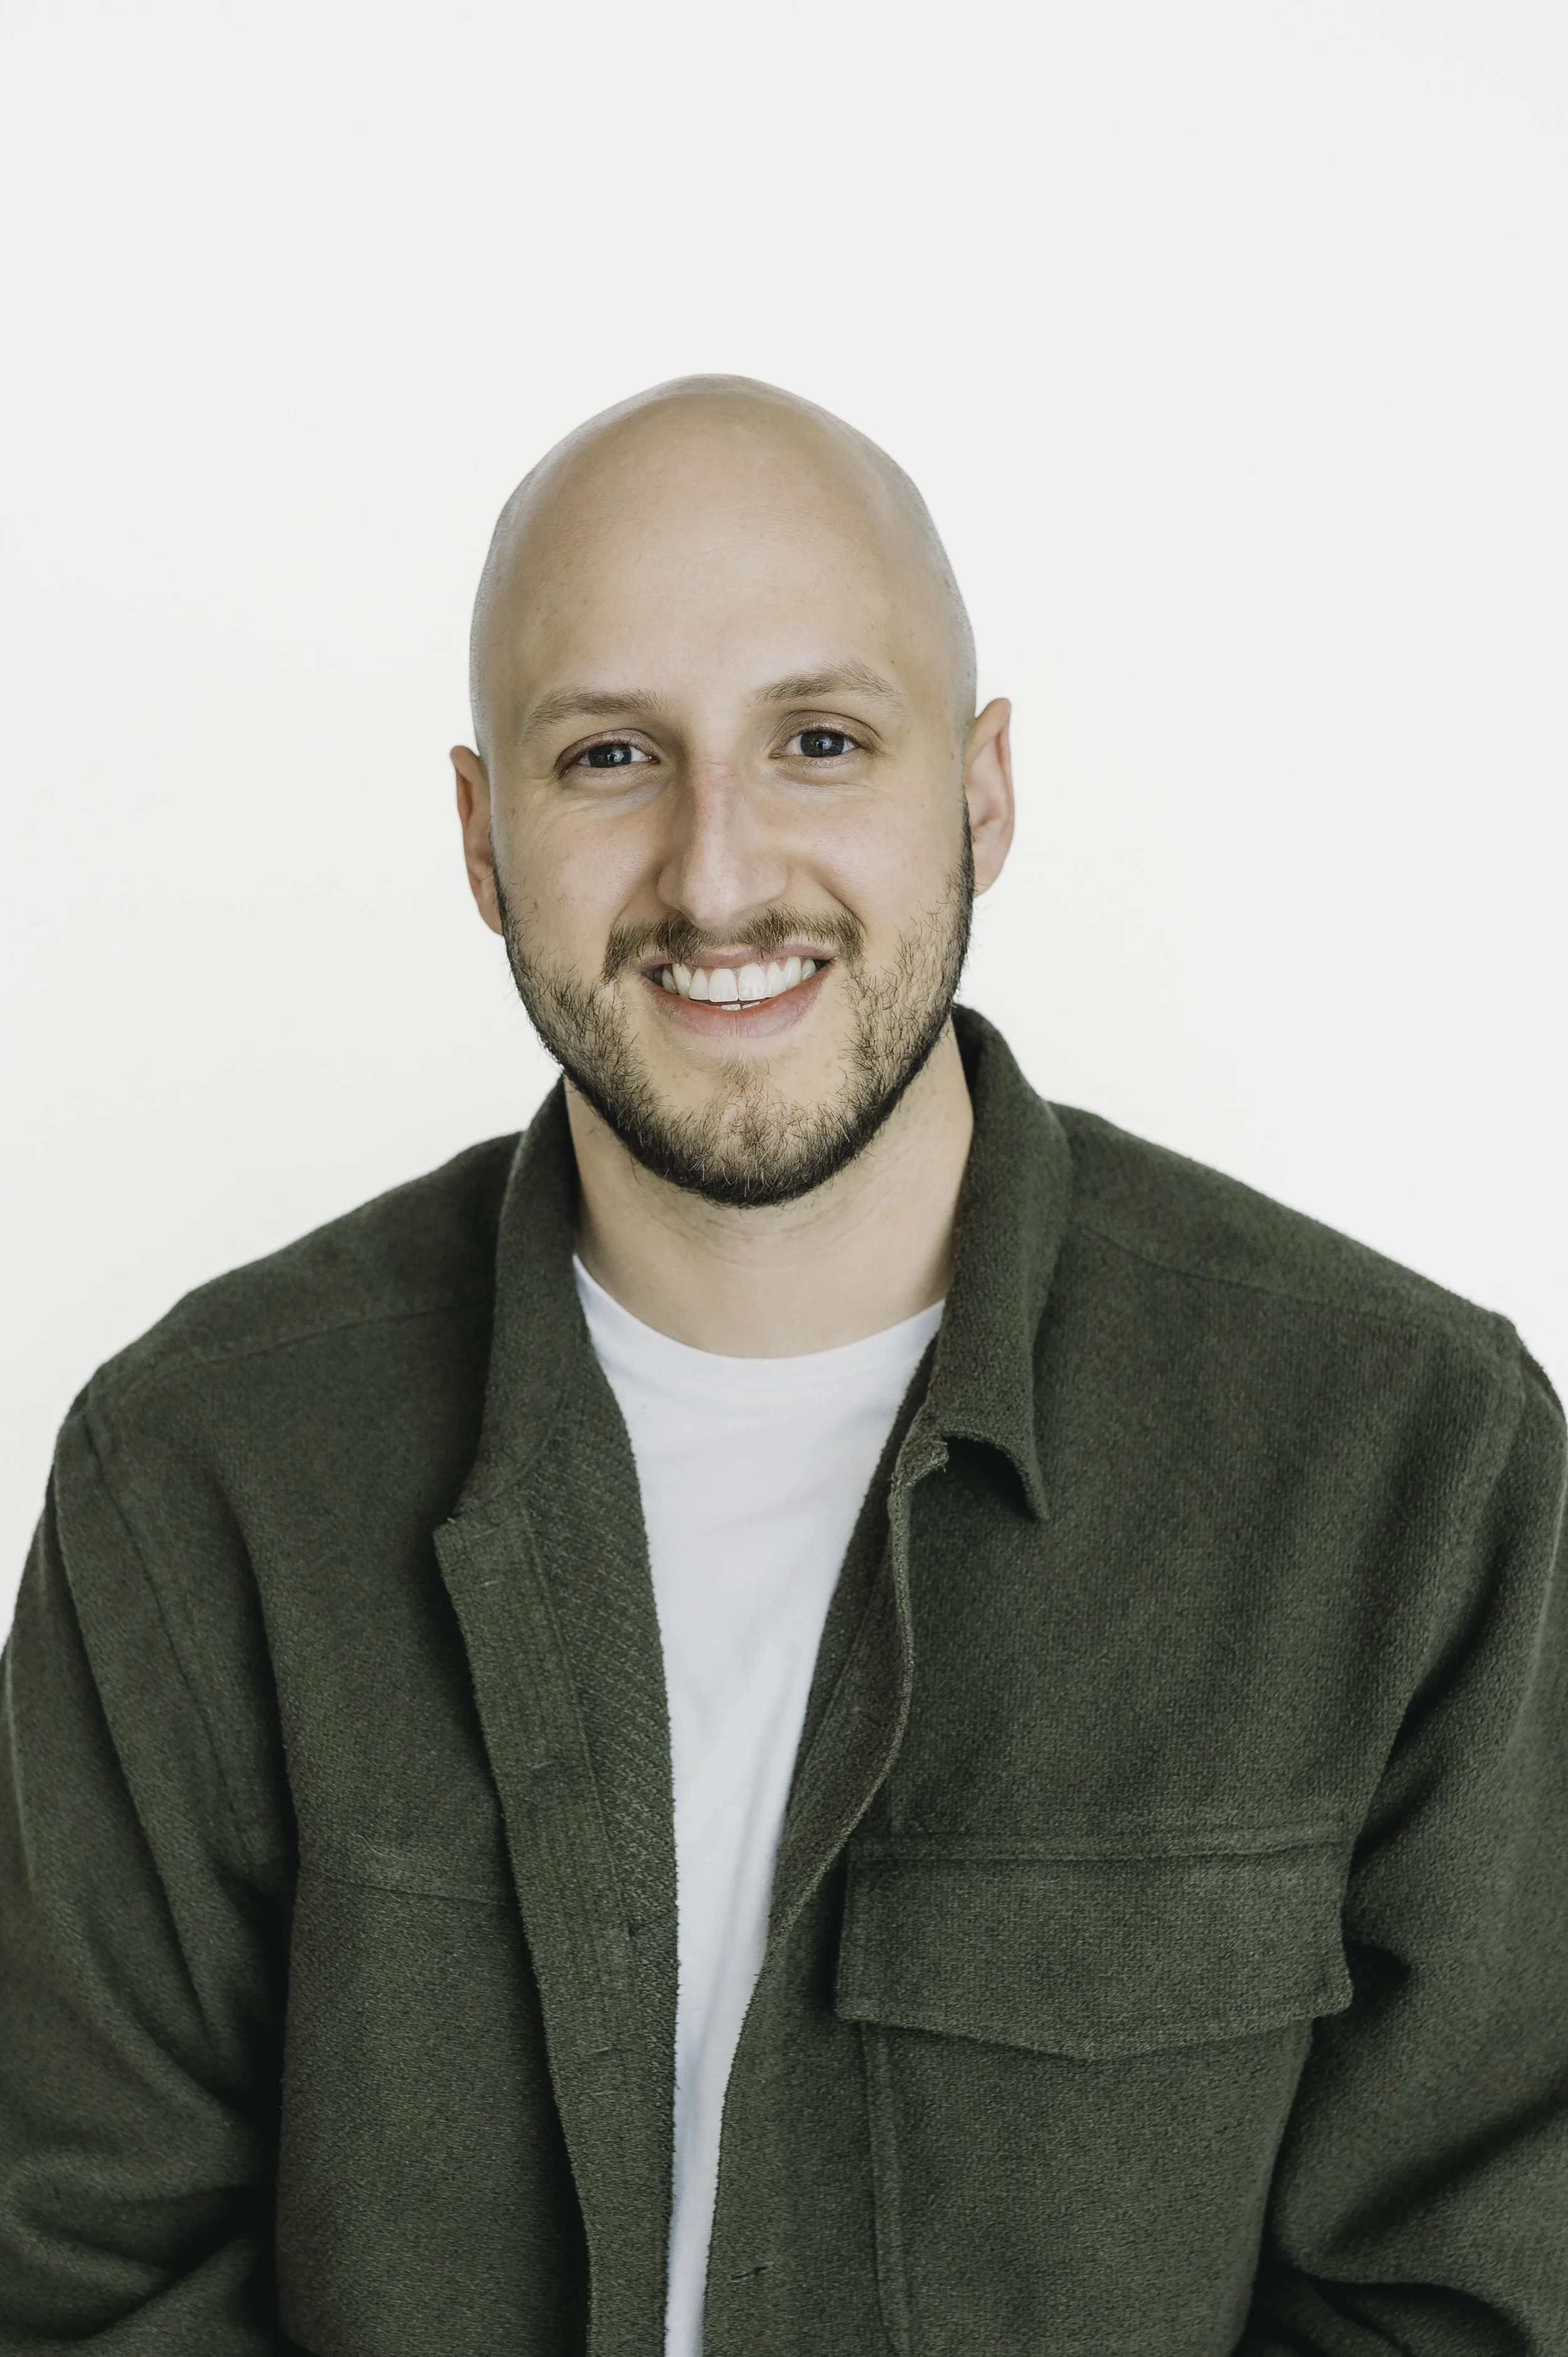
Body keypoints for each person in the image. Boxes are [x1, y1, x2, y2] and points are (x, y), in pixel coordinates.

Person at [1, 374, 1564, 2357]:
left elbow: (1475, 2297)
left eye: (819, 741)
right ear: (482, 836)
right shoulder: (200, 1472)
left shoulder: (1407, 1469)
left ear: (980, 791)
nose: (717, 872)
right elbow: (79, 2277)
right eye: (607, 757)